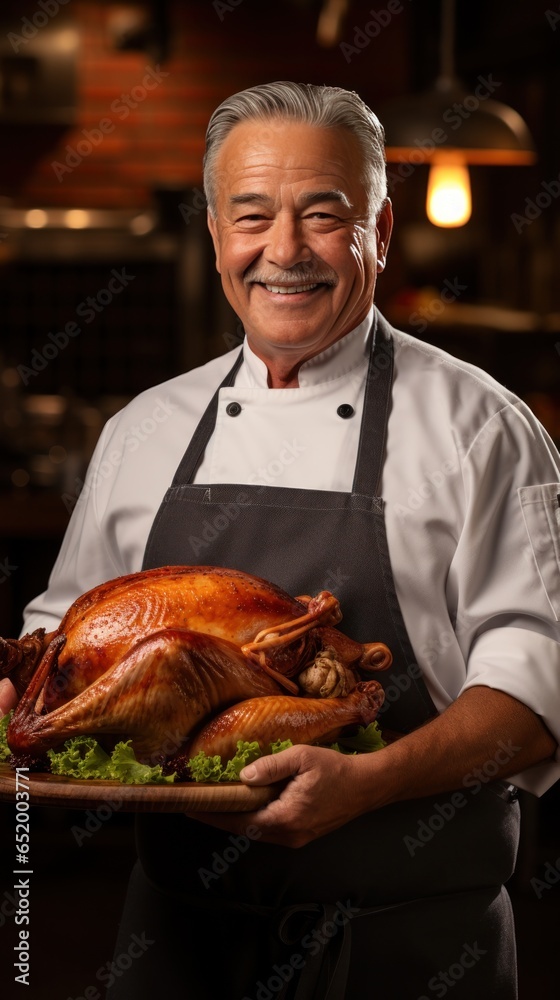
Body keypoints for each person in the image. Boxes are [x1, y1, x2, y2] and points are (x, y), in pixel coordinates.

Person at [2, 81, 560, 999]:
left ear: (380, 233)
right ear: (217, 235)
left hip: (409, 947)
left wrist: (371, 781)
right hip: (178, 946)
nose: (285, 251)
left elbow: (537, 688)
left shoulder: (479, 427)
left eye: (325, 215)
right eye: (251, 214)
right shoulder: (145, 430)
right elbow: (62, 637)